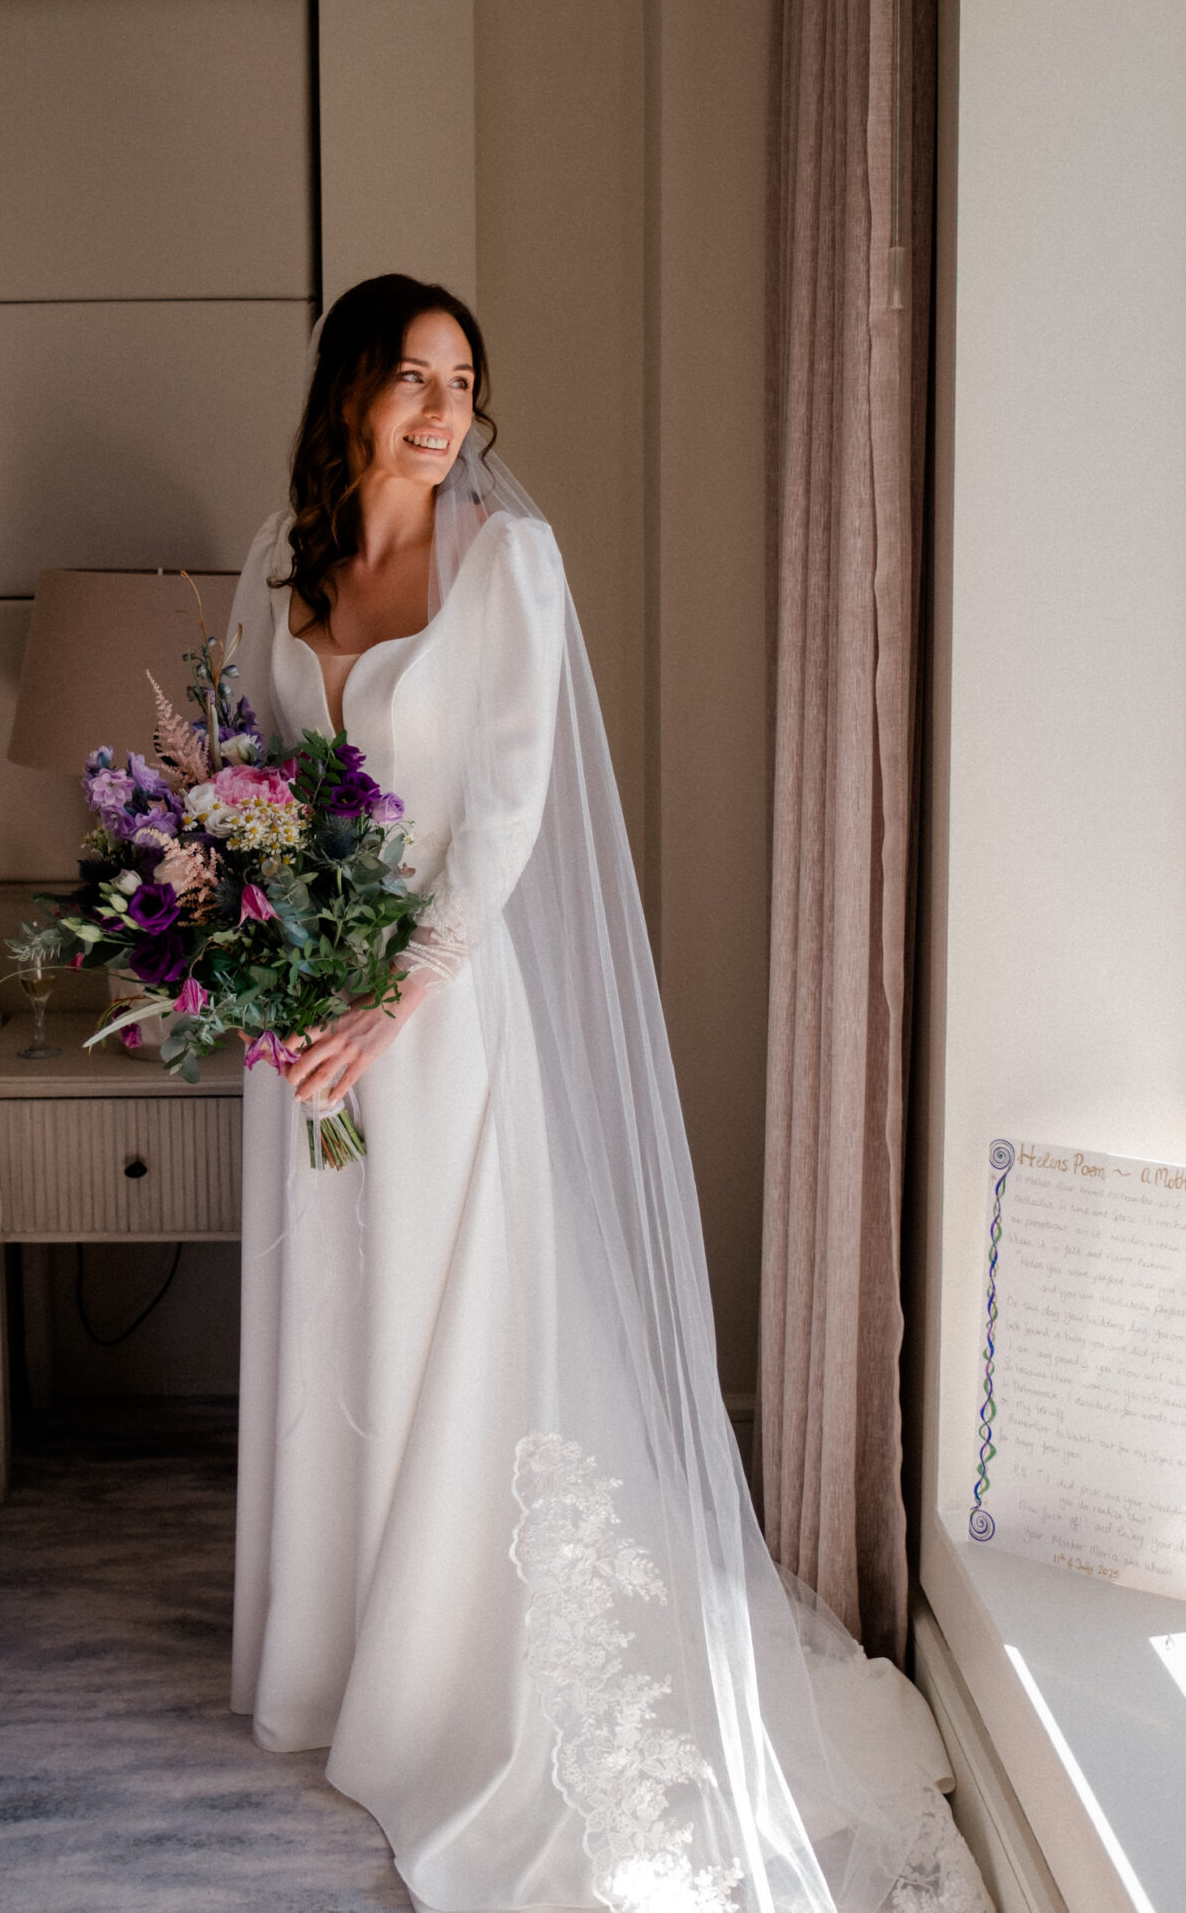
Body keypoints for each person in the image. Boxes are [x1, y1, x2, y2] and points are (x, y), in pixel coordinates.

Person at [228, 274, 992, 1913]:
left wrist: (393, 991)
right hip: (308, 1030)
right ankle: (336, 1641)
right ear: (350, 391)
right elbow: (250, 787)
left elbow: (506, 808)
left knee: (458, 1324)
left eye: (465, 381)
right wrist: (262, 966)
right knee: (339, 1323)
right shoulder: (279, 566)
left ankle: (452, 1679)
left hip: (434, 1012)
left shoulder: (510, 562)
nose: (444, 411)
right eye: (414, 377)